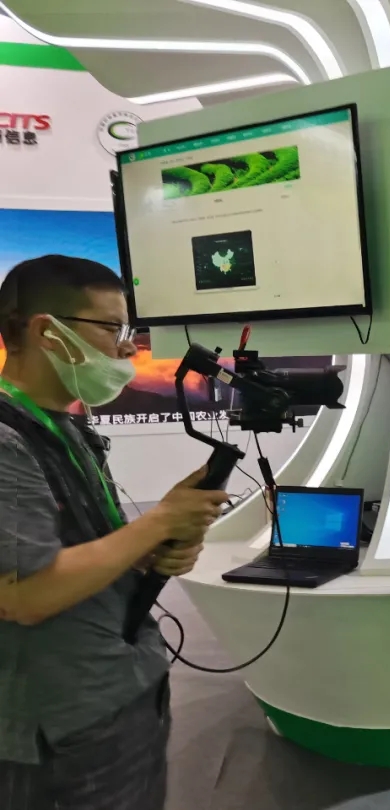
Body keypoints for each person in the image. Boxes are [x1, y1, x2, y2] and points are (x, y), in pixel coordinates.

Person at [0, 255, 230, 810]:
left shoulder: (66, 427)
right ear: (47, 332)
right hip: (60, 726)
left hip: (120, 690)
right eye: (112, 329)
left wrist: (151, 548)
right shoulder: (6, 444)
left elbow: (86, 551)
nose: (128, 349)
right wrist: (160, 521)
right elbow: (24, 595)